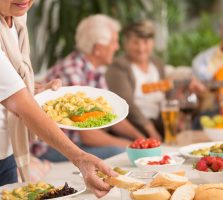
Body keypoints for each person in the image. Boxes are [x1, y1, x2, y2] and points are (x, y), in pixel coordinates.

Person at [0, 1, 116, 197]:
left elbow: (9, 84)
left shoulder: (15, 19)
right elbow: (21, 105)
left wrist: (34, 89)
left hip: (6, 150)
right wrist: (79, 158)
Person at [34, 15, 145, 162]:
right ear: (98, 49)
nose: (117, 47)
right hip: (52, 147)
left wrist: (141, 139)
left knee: (124, 147)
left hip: (76, 142)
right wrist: (131, 145)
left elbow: (112, 113)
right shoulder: (71, 72)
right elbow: (88, 135)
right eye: (114, 42)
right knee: (118, 151)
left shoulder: (95, 70)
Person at [106, 20, 164, 140]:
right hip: (136, 126)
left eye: (146, 42)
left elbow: (166, 93)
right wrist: (151, 130)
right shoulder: (118, 66)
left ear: (152, 43)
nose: (141, 48)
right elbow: (127, 103)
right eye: (135, 42)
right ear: (125, 44)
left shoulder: (157, 64)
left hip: (160, 121)